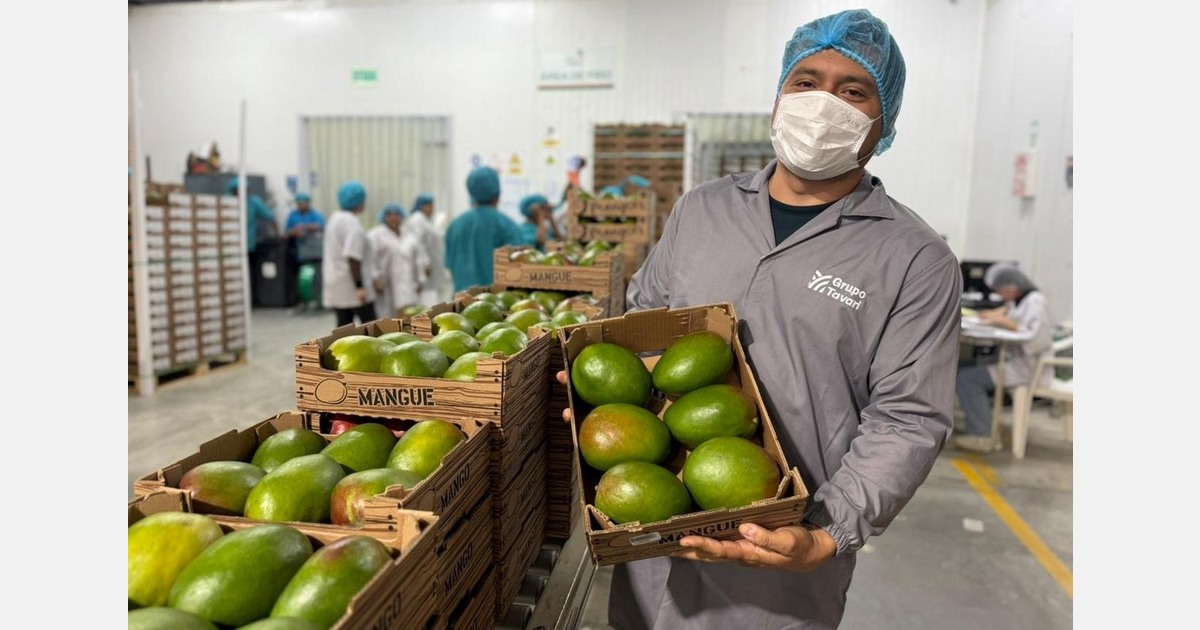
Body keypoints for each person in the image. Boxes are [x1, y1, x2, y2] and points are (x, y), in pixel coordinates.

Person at [561, 10, 963, 628]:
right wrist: (596, 407)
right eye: (806, 81)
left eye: (852, 91)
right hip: (654, 529)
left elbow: (908, 418)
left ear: (882, 122)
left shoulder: (913, 257)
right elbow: (643, 323)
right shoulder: (702, 211)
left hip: (781, 557)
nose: (823, 102)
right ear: (779, 96)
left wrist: (829, 532)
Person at [954, 263, 1053, 453]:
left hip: (1028, 366)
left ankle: (982, 435)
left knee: (966, 379)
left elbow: (1035, 337)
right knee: (961, 367)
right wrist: (995, 316)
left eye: (1000, 290)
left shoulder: (1035, 302)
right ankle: (979, 423)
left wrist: (1004, 322)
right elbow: (1010, 313)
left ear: (1012, 287)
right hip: (1014, 360)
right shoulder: (1020, 301)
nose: (999, 295)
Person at [443, 166, 524, 292]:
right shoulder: (507, 226)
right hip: (494, 306)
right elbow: (519, 268)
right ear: (498, 193)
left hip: (459, 306)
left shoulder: (455, 226)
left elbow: (449, 264)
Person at [321, 180, 377, 327]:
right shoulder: (351, 223)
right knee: (372, 329)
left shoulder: (335, 218)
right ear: (360, 202)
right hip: (352, 286)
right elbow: (353, 256)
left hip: (337, 283)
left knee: (344, 330)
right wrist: (359, 286)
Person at [367, 204, 424, 320]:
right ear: (384, 217)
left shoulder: (409, 235)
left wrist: (421, 279)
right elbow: (370, 260)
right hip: (386, 285)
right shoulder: (375, 235)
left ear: (402, 216)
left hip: (408, 282)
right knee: (388, 319)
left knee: (410, 316)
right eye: (389, 215)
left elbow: (418, 259)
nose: (393, 218)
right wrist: (375, 279)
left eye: (397, 215)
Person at [285, 192, 326, 311]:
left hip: (316, 252)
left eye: (303, 203)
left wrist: (303, 226)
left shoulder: (316, 214)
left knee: (317, 278)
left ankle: (318, 302)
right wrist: (294, 232)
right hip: (300, 252)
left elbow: (319, 226)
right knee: (302, 280)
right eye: (299, 203)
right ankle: (303, 302)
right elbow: (287, 231)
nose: (301, 205)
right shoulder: (292, 215)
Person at [405, 193, 441, 306]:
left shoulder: (425, 220)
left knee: (430, 295)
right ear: (422, 206)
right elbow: (419, 242)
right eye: (430, 205)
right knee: (425, 297)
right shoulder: (417, 219)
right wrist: (425, 262)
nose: (432, 208)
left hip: (430, 264)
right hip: (424, 265)